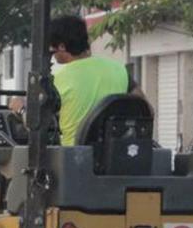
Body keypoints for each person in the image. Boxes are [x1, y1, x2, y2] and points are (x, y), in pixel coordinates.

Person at [48, 15, 143, 146]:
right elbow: (145, 109)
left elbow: (34, 122)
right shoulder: (119, 69)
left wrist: (21, 109)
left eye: (52, 49)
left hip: (72, 159)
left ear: (62, 46)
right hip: (114, 157)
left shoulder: (57, 79)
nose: (51, 54)